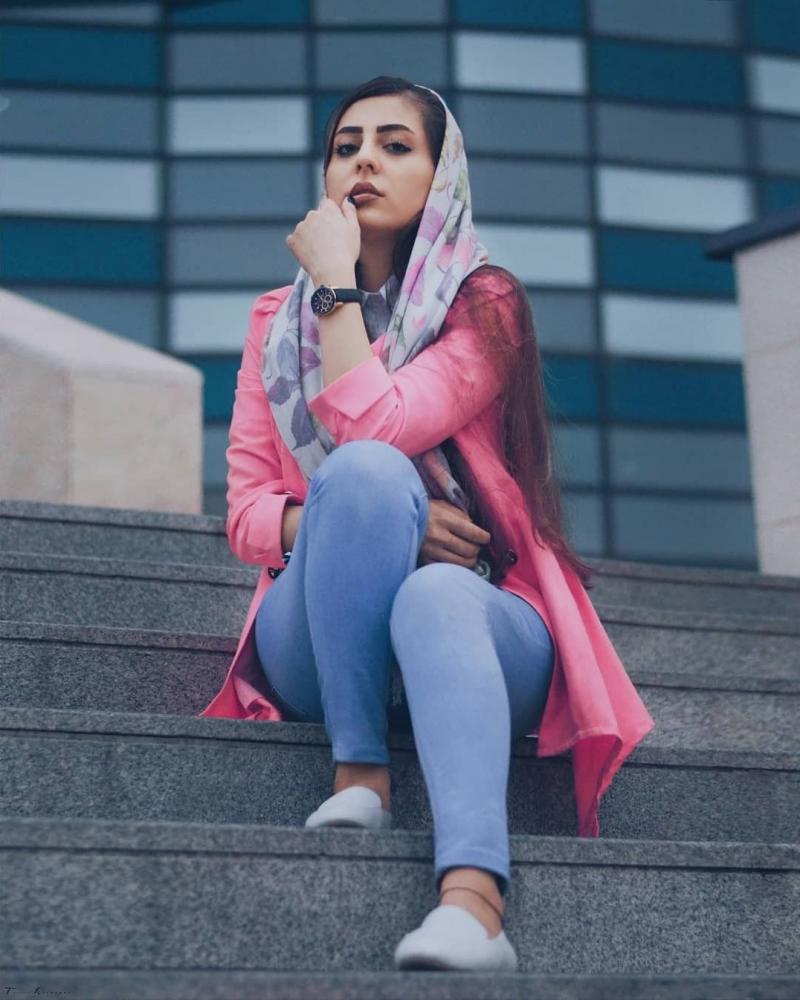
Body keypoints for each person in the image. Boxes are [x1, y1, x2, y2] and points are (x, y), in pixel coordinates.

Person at [197, 76, 655, 973]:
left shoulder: (486, 306)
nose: (364, 160)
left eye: (395, 145)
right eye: (346, 146)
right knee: (364, 483)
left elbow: (376, 421)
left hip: (477, 617)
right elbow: (248, 517)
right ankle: (360, 771)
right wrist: (378, 527)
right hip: (318, 635)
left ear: (442, 175)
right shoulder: (271, 323)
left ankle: (475, 905)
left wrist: (335, 286)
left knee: (430, 581)